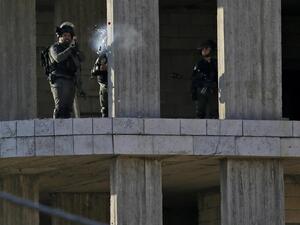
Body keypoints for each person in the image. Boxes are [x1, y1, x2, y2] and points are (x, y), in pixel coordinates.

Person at [48, 22, 84, 118]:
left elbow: (81, 59)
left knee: (68, 109)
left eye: (69, 35)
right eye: (64, 35)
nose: (67, 37)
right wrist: (70, 49)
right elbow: (58, 58)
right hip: (59, 80)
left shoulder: (72, 49)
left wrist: (76, 49)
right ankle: (57, 129)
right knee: (60, 107)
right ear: (59, 36)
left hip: (70, 80)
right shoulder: (55, 47)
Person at [191, 40, 218, 118]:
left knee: (214, 113)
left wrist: (214, 83)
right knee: (200, 113)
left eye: (206, 48)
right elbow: (194, 79)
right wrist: (194, 92)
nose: (204, 50)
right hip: (202, 89)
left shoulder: (216, 63)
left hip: (213, 90)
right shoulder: (199, 64)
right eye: (202, 49)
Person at [91, 52, 108, 117]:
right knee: (104, 108)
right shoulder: (101, 57)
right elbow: (93, 71)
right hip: (103, 84)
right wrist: (100, 68)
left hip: (111, 84)